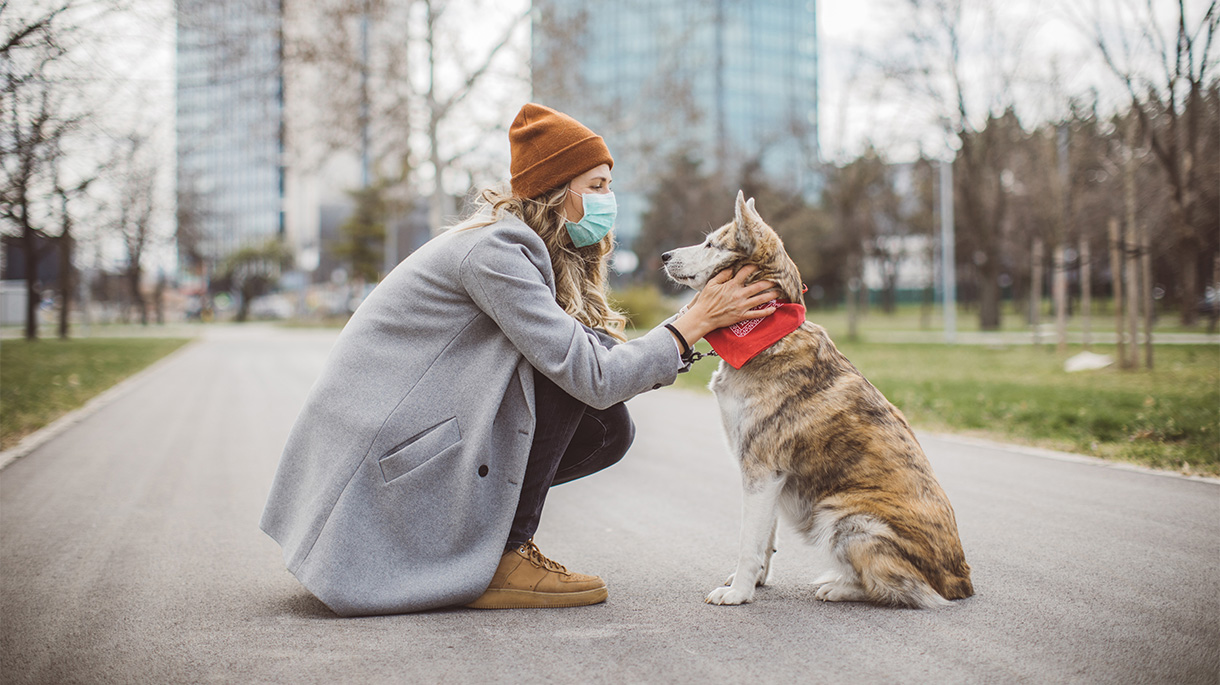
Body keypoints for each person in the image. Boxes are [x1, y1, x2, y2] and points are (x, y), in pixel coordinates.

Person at [260, 103, 777, 616]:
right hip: (371, 477)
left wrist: (697, 331)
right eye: (595, 186)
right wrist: (692, 323)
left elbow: (597, 365)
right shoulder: (495, 251)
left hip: (399, 452)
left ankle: (481, 541)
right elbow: (589, 375)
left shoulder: (521, 247)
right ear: (556, 190)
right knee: (566, 376)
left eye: (608, 186)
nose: (608, 200)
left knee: (607, 428)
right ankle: (504, 553)